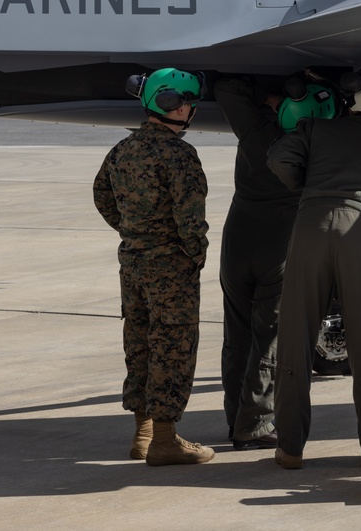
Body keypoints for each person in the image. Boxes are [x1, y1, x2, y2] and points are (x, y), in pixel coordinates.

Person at [266, 73, 361, 470]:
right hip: (357, 235)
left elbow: (278, 158)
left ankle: (291, 448)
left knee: (296, 334)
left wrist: (311, 188)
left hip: (309, 227)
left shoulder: (316, 128)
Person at [93, 67, 215, 466]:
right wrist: (193, 252)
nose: (190, 109)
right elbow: (190, 218)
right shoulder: (179, 154)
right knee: (173, 346)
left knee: (139, 341)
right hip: (170, 266)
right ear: (174, 106)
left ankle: (142, 434)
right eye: (187, 103)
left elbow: (102, 195)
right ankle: (164, 439)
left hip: (133, 261)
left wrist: (132, 231)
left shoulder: (122, 150)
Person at [213, 76, 295, 451]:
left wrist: (269, 96)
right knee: (268, 338)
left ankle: (236, 420)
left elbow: (227, 87)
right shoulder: (310, 139)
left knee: (237, 337)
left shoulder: (254, 128)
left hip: (238, 242)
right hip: (276, 248)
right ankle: (256, 424)